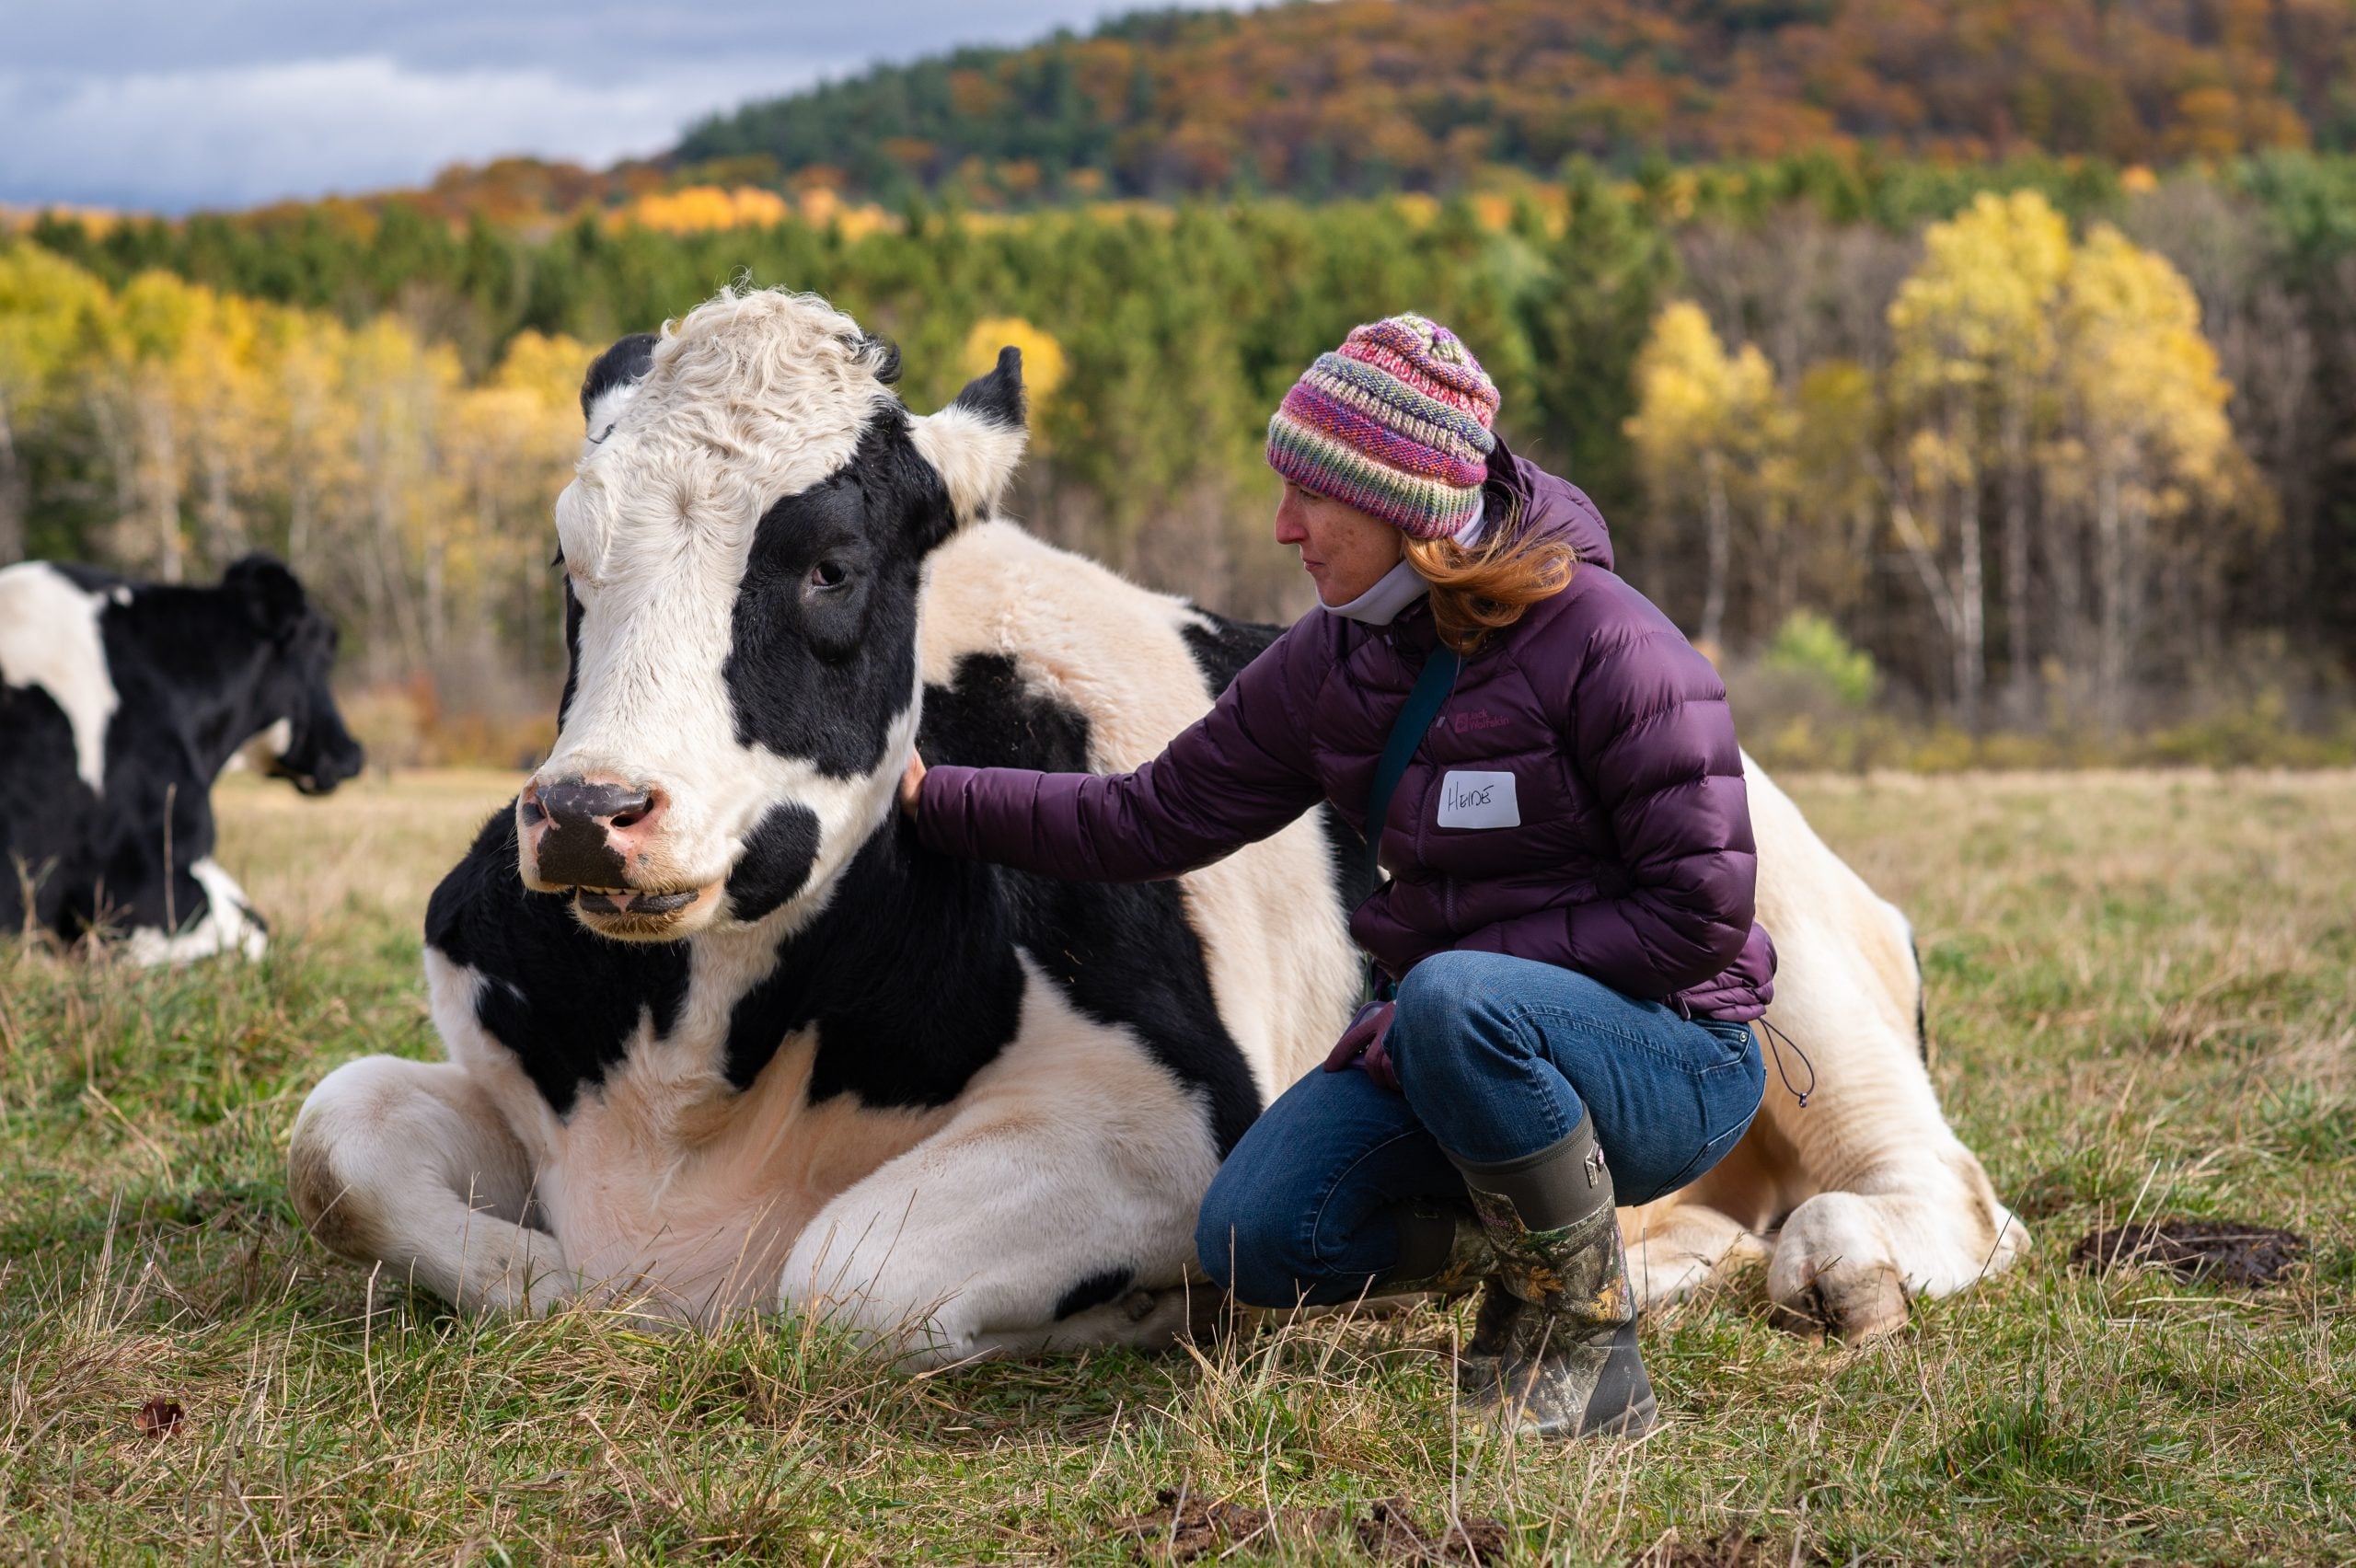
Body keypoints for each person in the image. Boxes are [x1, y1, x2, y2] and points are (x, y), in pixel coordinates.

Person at [900, 314, 1772, 1438]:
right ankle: (1539, 1232)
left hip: (1671, 1059)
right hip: (1467, 1045)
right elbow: (1153, 814)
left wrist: (1453, 990)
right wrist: (934, 796)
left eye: (1312, 498)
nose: (1282, 529)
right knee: (1256, 1236)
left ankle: (1581, 1337)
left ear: (1402, 509)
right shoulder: (1337, 655)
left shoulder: (1616, 650)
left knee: (1456, 999)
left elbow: (1699, 916)